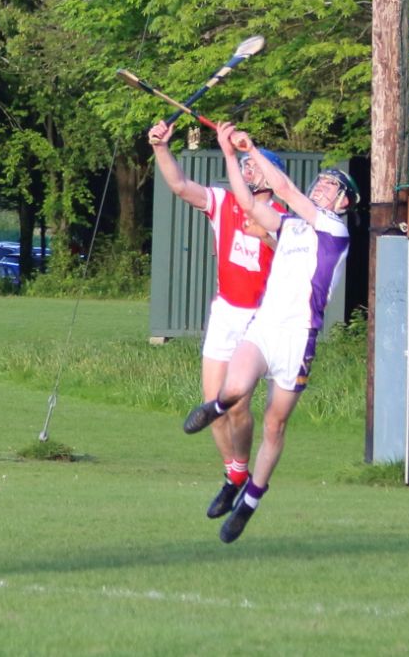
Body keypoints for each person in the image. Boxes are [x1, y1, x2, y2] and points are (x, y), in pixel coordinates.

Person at [182, 122, 356, 543]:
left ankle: (251, 500)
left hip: (299, 339)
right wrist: (229, 153)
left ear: (345, 202)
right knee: (233, 389)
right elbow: (248, 203)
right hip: (264, 328)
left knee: (275, 426)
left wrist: (251, 147)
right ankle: (217, 407)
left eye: (331, 186)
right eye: (321, 182)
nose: (321, 188)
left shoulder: (333, 230)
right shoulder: (292, 226)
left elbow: (282, 187)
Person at [148, 118, 285, 520]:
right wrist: (160, 147)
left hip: (259, 318)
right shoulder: (224, 203)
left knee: (238, 406)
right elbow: (179, 186)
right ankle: (234, 475)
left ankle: (240, 471)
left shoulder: (282, 215)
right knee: (213, 407)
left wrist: (266, 235)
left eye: (256, 165)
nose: (248, 168)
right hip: (225, 311)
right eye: (245, 164)